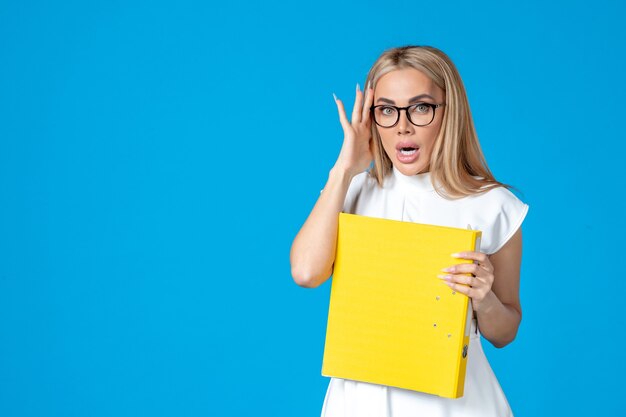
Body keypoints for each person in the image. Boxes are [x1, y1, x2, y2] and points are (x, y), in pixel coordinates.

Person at [290, 45, 529, 417]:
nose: (402, 125)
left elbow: (505, 332)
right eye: (386, 110)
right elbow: (306, 273)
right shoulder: (352, 191)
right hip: (361, 402)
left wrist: (485, 299)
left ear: (449, 113)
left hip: (457, 405)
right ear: (371, 119)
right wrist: (344, 167)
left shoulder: (493, 204)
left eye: (420, 107)